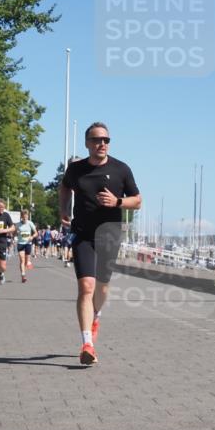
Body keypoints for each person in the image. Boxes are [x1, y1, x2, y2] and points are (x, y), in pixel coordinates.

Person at [59, 122, 141, 365]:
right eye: (96, 140)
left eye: (106, 140)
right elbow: (64, 188)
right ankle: (87, 343)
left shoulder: (121, 169)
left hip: (109, 234)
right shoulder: (76, 170)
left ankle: (96, 316)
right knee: (86, 287)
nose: (102, 144)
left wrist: (117, 202)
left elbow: (137, 201)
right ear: (87, 144)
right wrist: (63, 209)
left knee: (102, 288)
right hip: (83, 234)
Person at [16, 209, 38, 282]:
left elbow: (36, 233)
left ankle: (24, 273)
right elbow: (13, 233)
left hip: (28, 243)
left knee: (25, 261)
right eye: (24, 216)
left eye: (26, 216)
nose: (25, 218)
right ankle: (23, 275)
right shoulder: (18, 224)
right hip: (20, 243)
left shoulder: (30, 223)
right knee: (22, 260)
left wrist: (32, 237)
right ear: (21, 217)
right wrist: (16, 233)